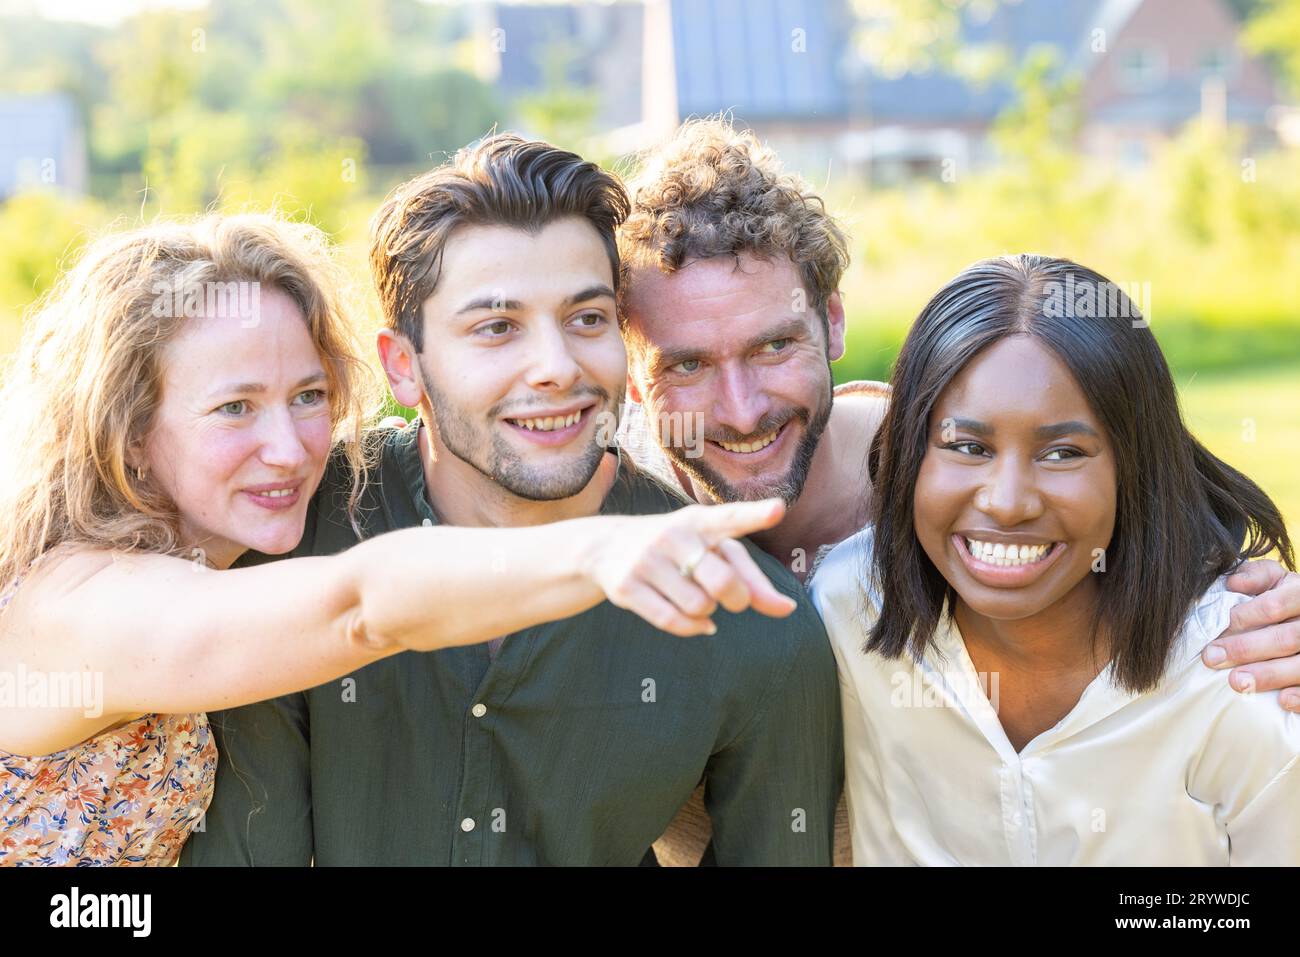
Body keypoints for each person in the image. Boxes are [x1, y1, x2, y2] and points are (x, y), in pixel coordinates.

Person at [0, 213, 799, 867]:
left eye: (308, 395)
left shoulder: (230, 556)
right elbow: (363, 606)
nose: (288, 446)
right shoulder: (72, 606)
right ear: (131, 432)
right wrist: (594, 547)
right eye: (235, 408)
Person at [615, 117, 1300, 864]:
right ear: (626, 374)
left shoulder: (944, 493)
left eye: (774, 345)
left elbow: (1149, 520)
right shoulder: (609, 525)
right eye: (684, 366)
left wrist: (1264, 614)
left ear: (834, 318)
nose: (743, 409)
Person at [181, 135, 842, 867]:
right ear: (405, 365)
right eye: (497, 328)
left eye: (587, 318)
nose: (556, 367)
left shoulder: (758, 621)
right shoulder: (289, 538)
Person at [811, 254, 1299, 865]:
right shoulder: (848, 608)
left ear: (1134, 468)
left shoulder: (1244, 684)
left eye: (1063, 453)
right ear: (911, 453)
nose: (1007, 502)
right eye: (967, 446)